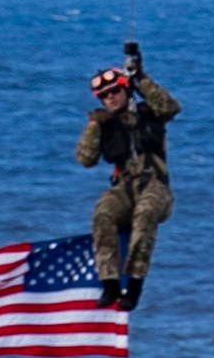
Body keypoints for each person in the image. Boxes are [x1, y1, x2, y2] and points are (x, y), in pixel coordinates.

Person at [73, 42, 178, 309]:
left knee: (145, 215)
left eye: (115, 91)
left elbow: (171, 107)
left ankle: (134, 286)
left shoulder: (149, 114)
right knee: (103, 213)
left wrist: (140, 77)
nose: (110, 97)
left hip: (154, 186)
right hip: (124, 187)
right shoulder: (105, 124)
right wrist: (94, 126)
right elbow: (85, 160)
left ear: (125, 89)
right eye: (104, 95)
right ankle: (109, 285)